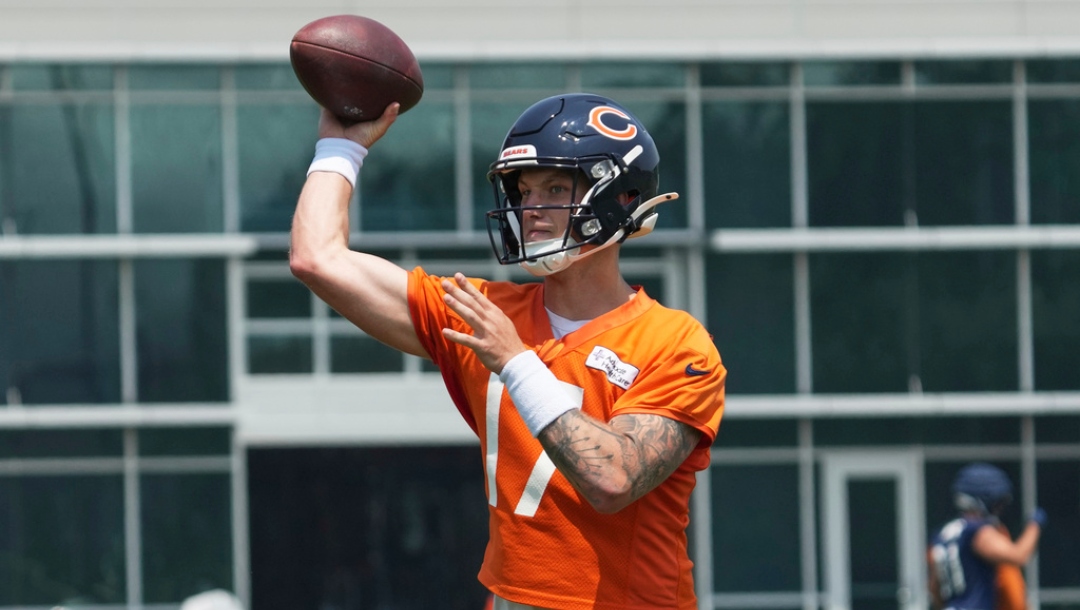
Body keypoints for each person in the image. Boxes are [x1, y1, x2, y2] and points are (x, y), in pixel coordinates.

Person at [290, 93, 726, 609]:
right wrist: (340, 148)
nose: (530, 209)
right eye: (523, 191)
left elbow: (612, 479)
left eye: (555, 188)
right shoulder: (487, 313)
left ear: (621, 197)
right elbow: (317, 259)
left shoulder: (676, 343)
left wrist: (517, 362)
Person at [927, 462, 1047, 610]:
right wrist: (1035, 524)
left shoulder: (942, 535)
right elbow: (1019, 555)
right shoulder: (976, 531)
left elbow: (934, 587)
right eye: (997, 503)